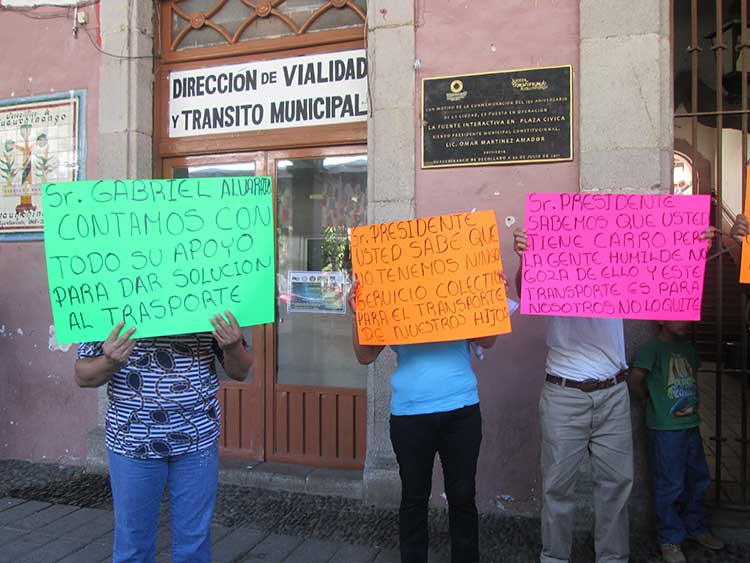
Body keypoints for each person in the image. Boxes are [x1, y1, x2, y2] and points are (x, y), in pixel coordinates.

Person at [513, 225, 716, 563]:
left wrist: (694, 250)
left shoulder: (622, 266)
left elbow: (666, 276)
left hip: (612, 391)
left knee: (615, 486)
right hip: (565, 392)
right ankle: (554, 558)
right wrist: (527, 258)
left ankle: (612, 558)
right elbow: (527, 292)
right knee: (557, 487)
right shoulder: (556, 266)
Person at [74, 311, 251, 563]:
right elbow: (83, 375)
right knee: (133, 545)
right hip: (132, 440)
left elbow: (241, 370)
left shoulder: (206, 292)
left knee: (195, 544)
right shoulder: (108, 298)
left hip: (196, 439)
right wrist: (109, 361)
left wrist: (233, 346)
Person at [349, 279, 501, 563]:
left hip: (461, 407)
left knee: (463, 497)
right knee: (413, 500)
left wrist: (491, 302)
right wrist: (359, 315)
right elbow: (365, 355)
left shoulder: (461, 276)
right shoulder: (390, 286)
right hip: (410, 412)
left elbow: (487, 340)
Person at [629, 321, 724, 563]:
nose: (685, 322)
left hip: (689, 425)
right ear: (661, 318)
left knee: (698, 477)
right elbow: (636, 380)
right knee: (669, 483)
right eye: (678, 316)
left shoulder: (689, 350)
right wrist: (648, 401)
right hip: (664, 428)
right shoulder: (651, 350)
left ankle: (696, 526)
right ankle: (669, 538)